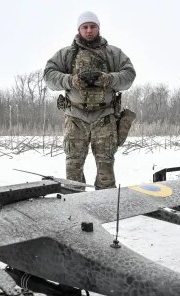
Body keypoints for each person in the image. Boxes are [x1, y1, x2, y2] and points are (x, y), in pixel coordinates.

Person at [44, 11, 136, 189]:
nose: (89, 30)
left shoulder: (113, 54)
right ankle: (74, 209)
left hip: (105, 117)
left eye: (92, 26)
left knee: (106, 168)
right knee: (73, 168)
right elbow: (49, 75)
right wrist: (70, 81)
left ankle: (106, 207)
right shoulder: (66, 54)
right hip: (75, 117)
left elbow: (129, 75)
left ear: (98, 28)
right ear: (79, 29)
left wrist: (109, 79)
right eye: (85, 27)